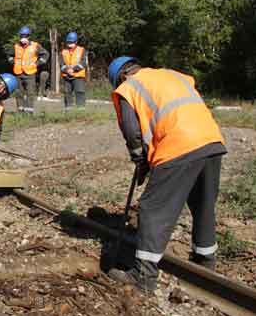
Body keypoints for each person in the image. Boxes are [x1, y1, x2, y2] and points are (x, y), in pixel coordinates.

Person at [106, 56, 226, 292]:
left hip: (178, 146)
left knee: (152, 207)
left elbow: (132, 133)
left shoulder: (128, 88)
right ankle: (205, 262)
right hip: (212, 141)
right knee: (203, 204)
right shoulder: (172, 74)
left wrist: (140, 160)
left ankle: (144, 275)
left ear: (120, 77)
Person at [12, 26, 49, 113]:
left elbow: (45, 54)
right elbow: (9, 55)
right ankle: (20, 111)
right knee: (18, 93)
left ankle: (29, 112)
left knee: (30, 93)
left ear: (29, 36)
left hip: (30, 73)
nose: (23, 38)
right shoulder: (16, 46)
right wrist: (11, 61)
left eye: (25, 36)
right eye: (22, 36)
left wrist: (38, 63)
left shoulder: (35, 46)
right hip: (18, 72)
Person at [60, 32, 88, 108]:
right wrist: (67, 70)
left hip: (78, 76)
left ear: (76, 42)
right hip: (67, 77)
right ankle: (68, 111)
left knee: (80, 92)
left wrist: (73, 69)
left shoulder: (82, 50)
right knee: (67, 93)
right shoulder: (63, 52)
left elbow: (84, 63)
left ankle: (80, 111)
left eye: (71, 42)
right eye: (68, 42)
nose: (70, 43)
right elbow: (61, 64)